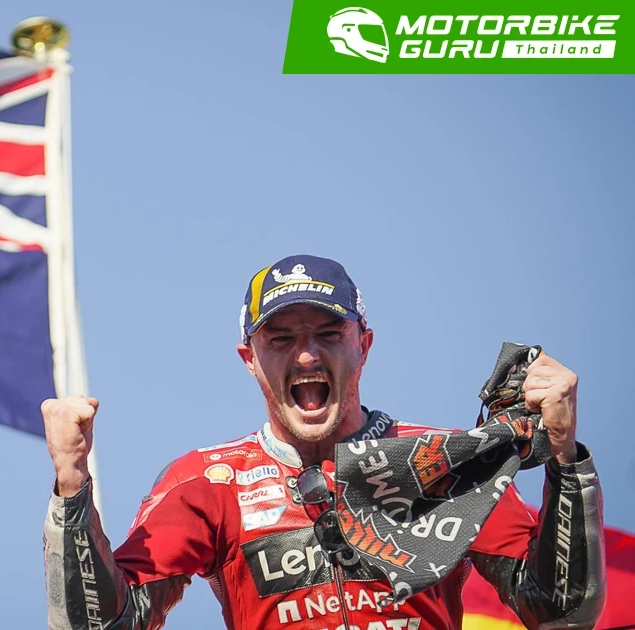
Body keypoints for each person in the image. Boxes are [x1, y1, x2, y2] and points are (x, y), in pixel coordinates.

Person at [40, 254, 605, 630]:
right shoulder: (206, 482)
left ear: (364, 345)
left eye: (329, 334)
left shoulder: (442, 461)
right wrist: (71, 484)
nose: (307, 355)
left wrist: (564, 457)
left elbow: (563, 612)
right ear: (250, 359)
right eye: (281, 339)